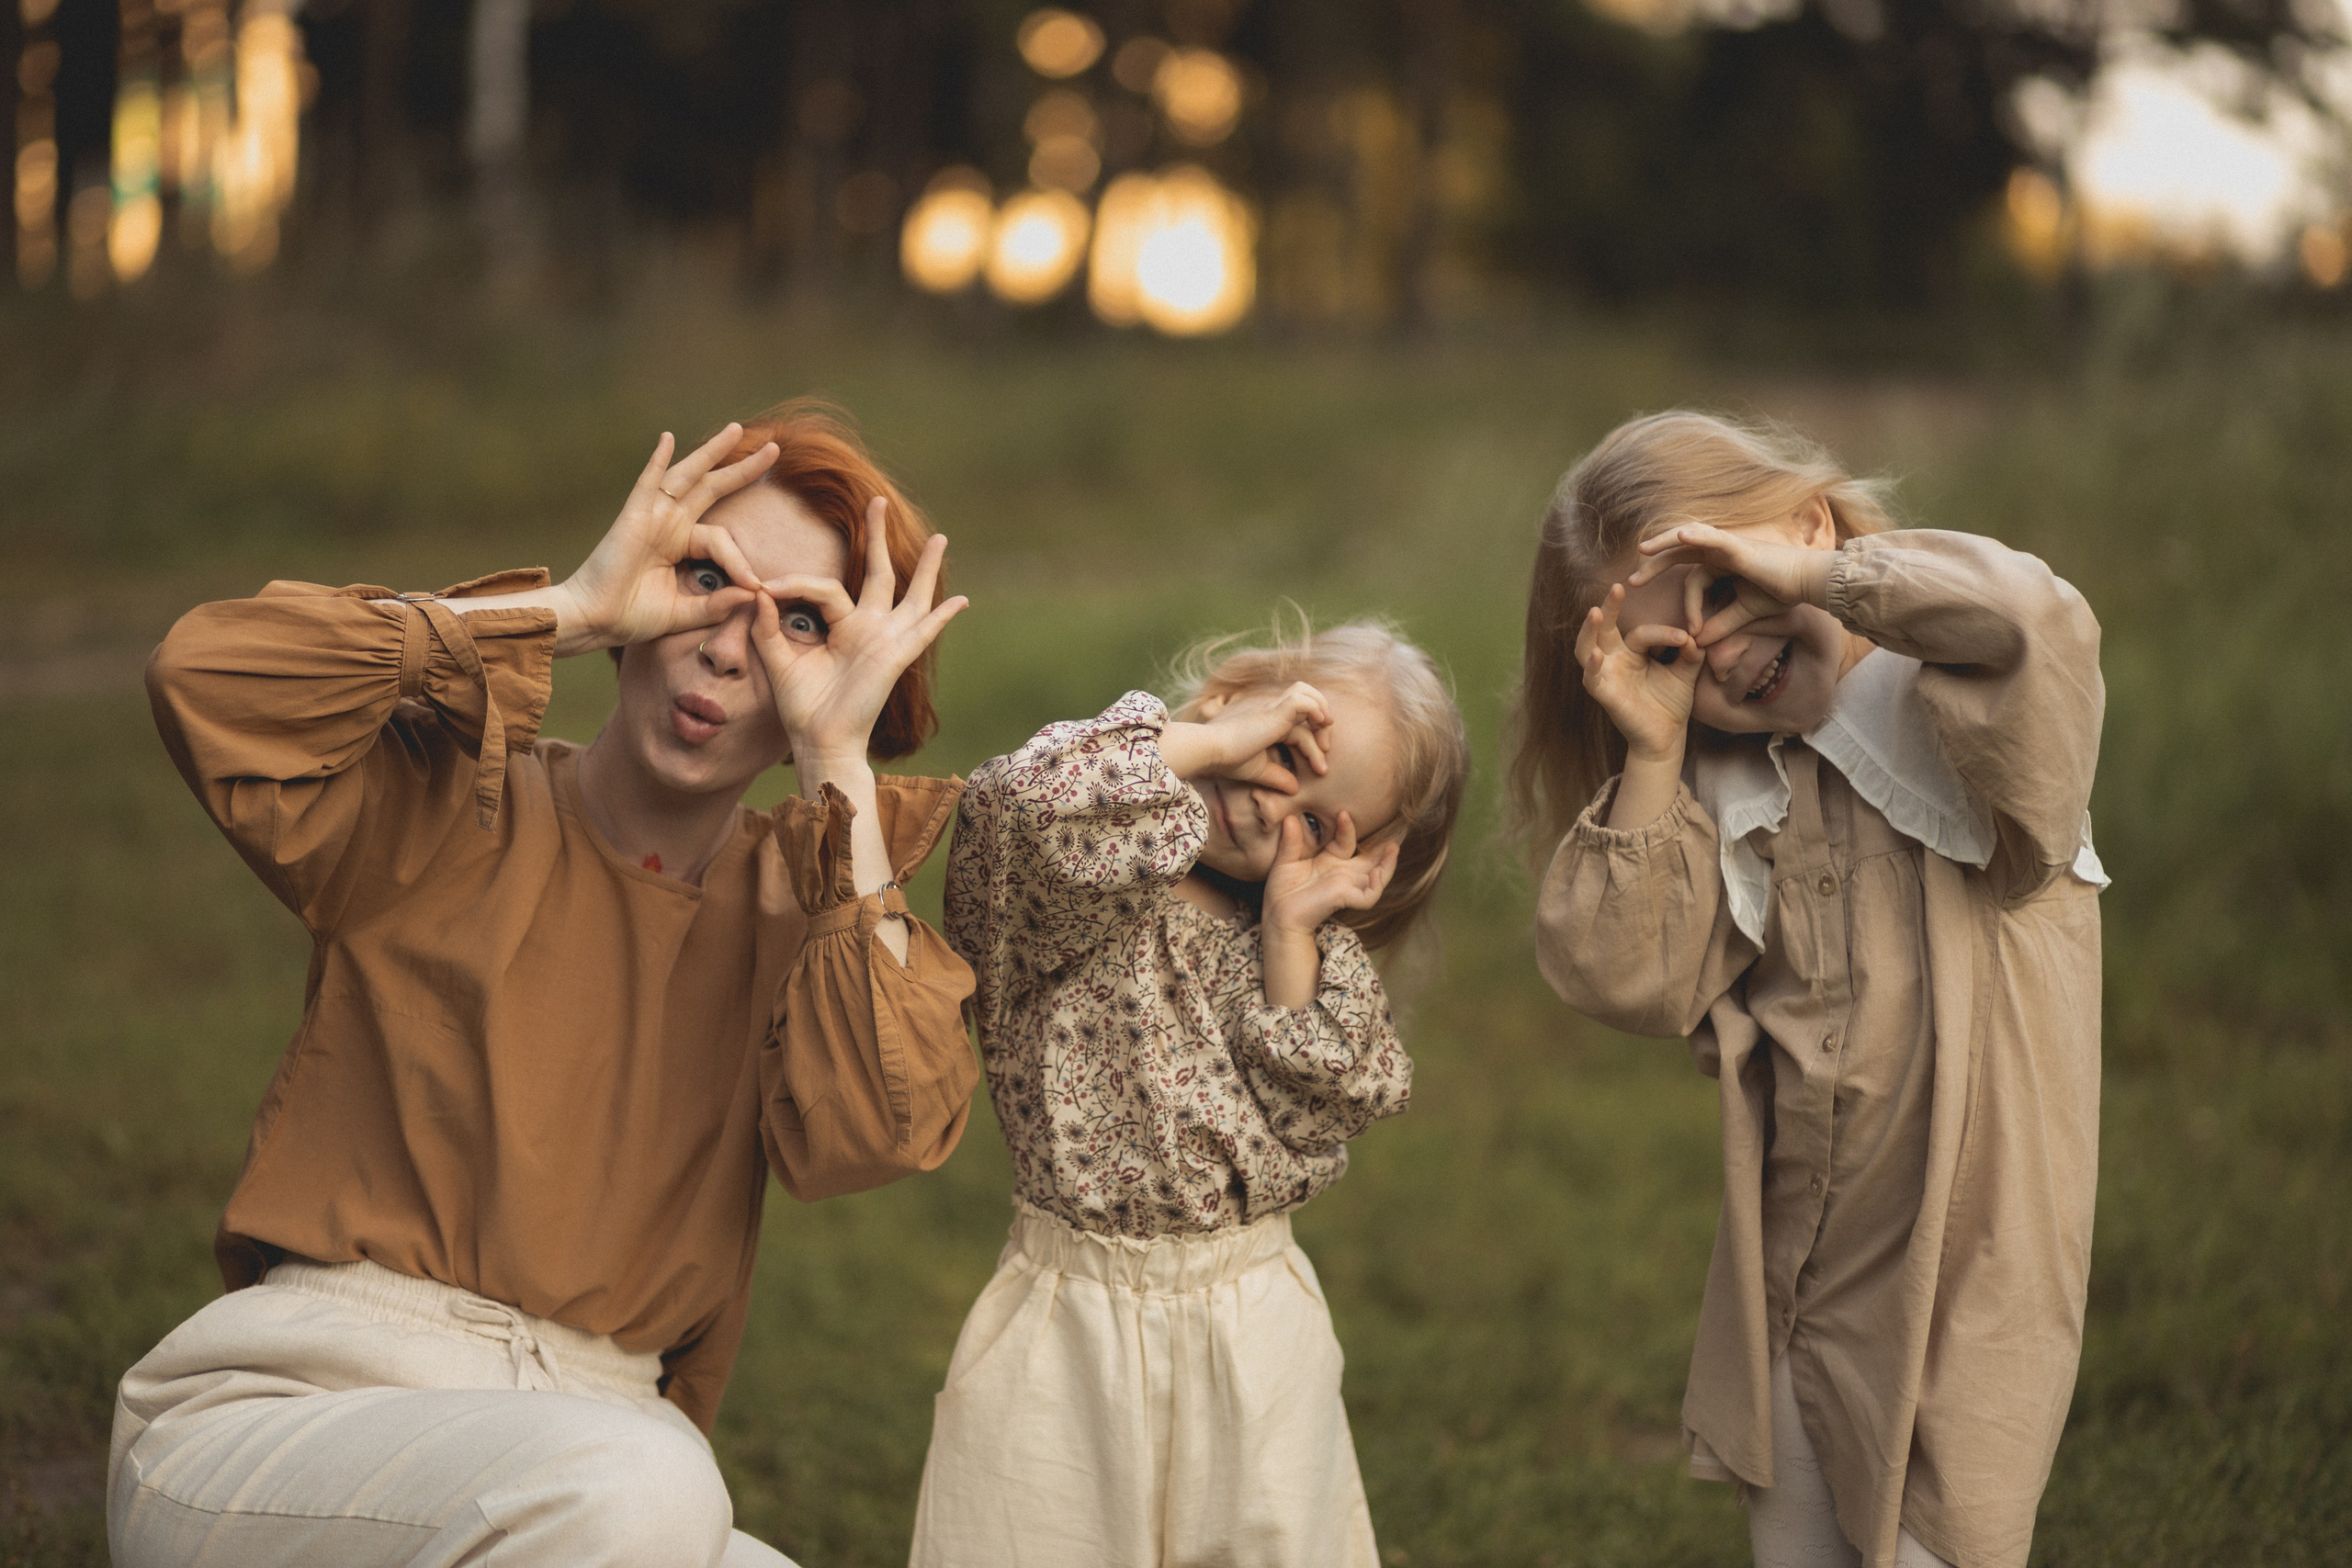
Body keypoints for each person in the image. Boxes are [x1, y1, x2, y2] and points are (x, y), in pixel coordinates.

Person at [110, 402, 978, 1568]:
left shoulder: (805, 914)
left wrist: (837, 764)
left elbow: (881, 1129)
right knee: (651, 1487)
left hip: (601, 1454)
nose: (729, 644)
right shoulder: (441, 799)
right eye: (705, 576)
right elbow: (206, 675)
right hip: (297, 1413)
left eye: (803, 625)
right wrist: (564, 609)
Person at [1507, 411, 2107, 1568]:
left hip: (1970, 1272)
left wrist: (1824, 582)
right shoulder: (1722, 785)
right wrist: (1650, 749)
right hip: (1795, 1279)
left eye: (1726, 593)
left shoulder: (1963, 713)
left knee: (1951, 1538)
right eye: (1667, 653)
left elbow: (2037, 619)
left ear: (1806, 528)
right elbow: (1616, 973)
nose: (1719, 654)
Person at [910, 617, 1468, 1568]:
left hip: (1251, 1322)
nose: (1265, 796)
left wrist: (1293, 937)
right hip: (1065, 1310)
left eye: (1313, 816)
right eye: (1281, 748)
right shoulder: (1084, 874)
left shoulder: (1295, 956)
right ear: (1225, 698)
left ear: (1351, 859)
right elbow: (1012, 801)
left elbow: (1326, 1109)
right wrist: (1203, 747)